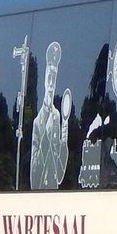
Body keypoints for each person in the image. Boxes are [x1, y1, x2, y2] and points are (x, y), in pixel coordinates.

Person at [30, 41, 71, 189]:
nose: (52, 83)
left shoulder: (57, 117)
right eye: (49, 77)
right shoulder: (37, 122)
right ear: (44, 79)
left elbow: (60, 174)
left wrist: (64, 135)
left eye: (54, 77)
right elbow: (34, 180)